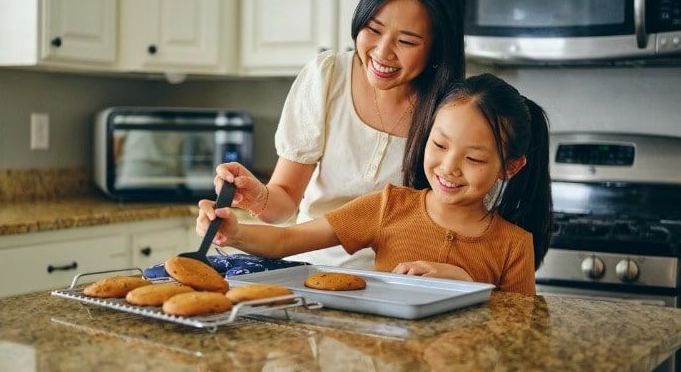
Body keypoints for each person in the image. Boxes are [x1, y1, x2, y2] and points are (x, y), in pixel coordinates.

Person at [197, 74, 553, 295]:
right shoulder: (389, 206)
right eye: (440, 145)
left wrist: (468, 285)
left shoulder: (513, 245)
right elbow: (288, 239)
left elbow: (519, 338)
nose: (449, 167)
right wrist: (235, 231)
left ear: (510, 167)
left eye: (473, 159)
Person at [210, 0, 467, 269]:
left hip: (401, 281)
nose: (382, 52)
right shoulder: (328, 77)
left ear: (438, 47)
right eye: (373, 29)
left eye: (407, 41)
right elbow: (286, 199)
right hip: (309, 272)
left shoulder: (455, 110)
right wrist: (257, 196)